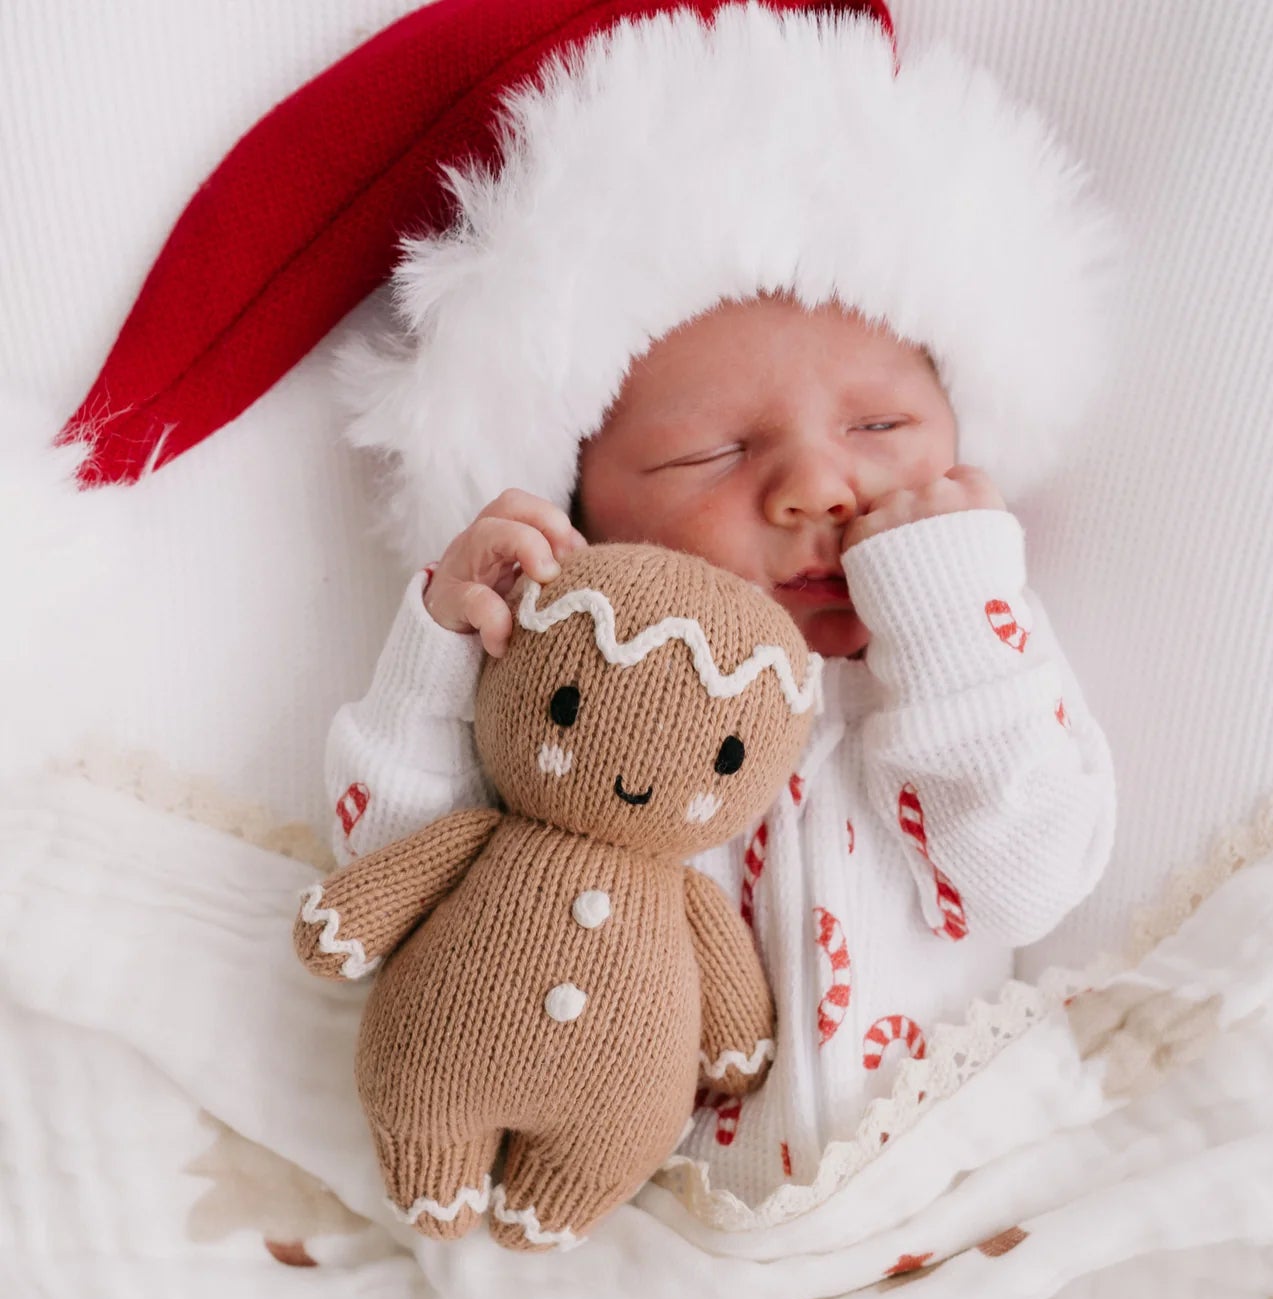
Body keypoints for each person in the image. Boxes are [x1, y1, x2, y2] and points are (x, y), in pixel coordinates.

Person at [326, 287, 1115, 1205]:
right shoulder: (580, 684)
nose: (819, 486)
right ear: (579, 506)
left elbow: (1033, 882)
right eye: (713, 452)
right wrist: (441, 653)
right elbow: (404, 886)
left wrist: (948, 605)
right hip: (640, 1216)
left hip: (960, 1197)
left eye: (880, 423)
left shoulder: (973, 652)